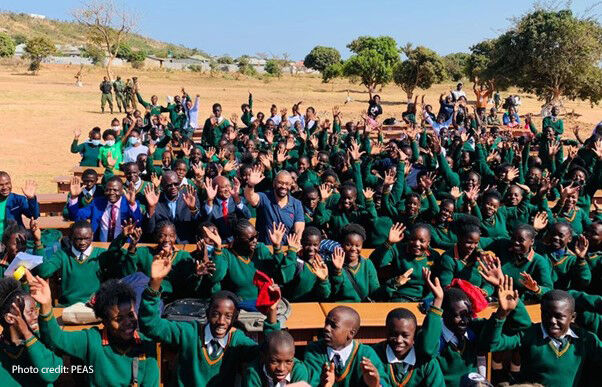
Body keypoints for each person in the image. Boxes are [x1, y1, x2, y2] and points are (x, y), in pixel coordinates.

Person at [138, 253, 281, 387]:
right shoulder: (189, 332)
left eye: (228, 316)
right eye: (215, 314)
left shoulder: (236, 341)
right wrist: (155, 284)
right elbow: (151, 325)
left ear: (235, 318)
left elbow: (269, 351)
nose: (221, 321)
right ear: (207, 313)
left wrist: (272, 311)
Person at [30, 273, 160, 386]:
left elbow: (151, 382)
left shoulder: (146, 344)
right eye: (119, 319)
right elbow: (56, 338)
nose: (128, 322)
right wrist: (46, 305)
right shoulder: (92, 340)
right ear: (105, 321)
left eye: (131, 315)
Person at [482, 283, 602, 387]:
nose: (552, 321)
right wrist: (502, 314)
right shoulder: (529, 334)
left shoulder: (586, 339)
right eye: (546, 314)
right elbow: (492, 344)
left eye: (559, 316)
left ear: (573, 317)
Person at [372, 269, 446, 387]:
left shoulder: (426, 363)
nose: (399, 340)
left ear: (414, 335)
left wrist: (437, 301)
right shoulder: (374, 355)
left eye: (405, 335)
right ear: (386, 332)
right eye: (393, 334)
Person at [32, 220, 121, 306]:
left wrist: (123, 237)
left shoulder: (99, 254)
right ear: (70, 237)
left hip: (94, 307)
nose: (82, 242)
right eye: (78, 239)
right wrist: (38, 242)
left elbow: (118, 259)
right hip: (68, 306)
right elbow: (43, 271)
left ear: (92, 236)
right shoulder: (63, 254)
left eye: (86, 238)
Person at [0, 277, 63, 387]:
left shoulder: (43, 340)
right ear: (10, 318)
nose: (36, 316)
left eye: (36, 311)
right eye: (30, 312)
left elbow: (51, 374)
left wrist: (27, 333)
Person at [303, 305, 387, 387]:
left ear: (351, 333)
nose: (326, 328)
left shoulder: (366, 354)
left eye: (333, 326)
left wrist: (375, 384)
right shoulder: (314, 350)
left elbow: (383, 382)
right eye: (326, 323)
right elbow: (310, 382)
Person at [67, 176, 142, 242]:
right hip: (101, 245)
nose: (111, 193)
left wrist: (132, 203)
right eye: (108, 190)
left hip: (123, 245)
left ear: (122, 191)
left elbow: (138, 223)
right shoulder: (97, 203)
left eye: (115, 190)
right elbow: (77, 216)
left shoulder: (129, 203)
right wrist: (74, 197)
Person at [245, 168, 304, 245]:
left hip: (285, 249)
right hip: (265, 249)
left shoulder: (296, 204)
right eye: (280, 183)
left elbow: (299, 227)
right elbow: (251, 197)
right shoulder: (265, 197)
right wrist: (250, 185)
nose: (283, 186)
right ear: (274, 183)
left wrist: (297, 240)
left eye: (287, 184)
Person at [142, 171, 200, 244]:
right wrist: (151, 208)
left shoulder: (189, 197)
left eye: (176, 184)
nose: (173, 187)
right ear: (162, 187)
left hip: (186, 244)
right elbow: (149, 230)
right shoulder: (155, 200)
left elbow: (198, 226)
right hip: (162, 245)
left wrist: (193, 209)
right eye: (169, 185)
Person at [242, 330, 310, 386]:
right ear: (263, 357)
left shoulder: (299, 370)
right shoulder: (253, 373)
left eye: (288, 361)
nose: (281, 368)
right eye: (274, 361)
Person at [202, 176, 251, 244]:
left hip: (237, 243)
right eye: (223, 187)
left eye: (229, 186)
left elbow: (247, 216)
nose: (227, 189)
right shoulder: (209, 204)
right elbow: (205, 222)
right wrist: (210, 200)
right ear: (214, 188)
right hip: (217, 243)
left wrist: (236, 198)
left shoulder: (238, 200)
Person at [0, 172, 39, 241]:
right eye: (1, 185)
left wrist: (31, 199)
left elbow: (34, 215)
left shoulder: (18, 199)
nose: (5, 187)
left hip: (15, 242)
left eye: (7, 183)